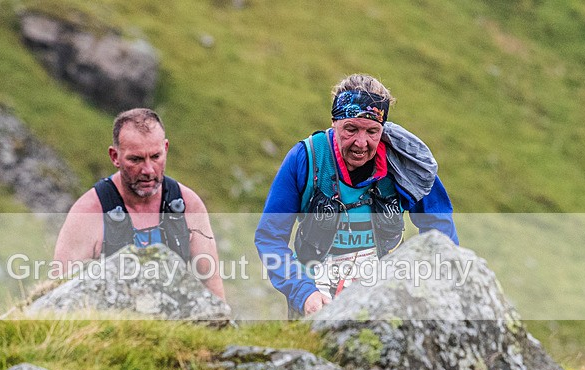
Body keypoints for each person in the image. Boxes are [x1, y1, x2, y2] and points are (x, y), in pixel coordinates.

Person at [255, 73, 458, 317]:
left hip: (385, 302)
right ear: (334, 122)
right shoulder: (306, 158)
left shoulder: (407, 165)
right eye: (351, 129)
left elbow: (440, 230)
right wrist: (303, 292)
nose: (361, 143)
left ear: (383, 129)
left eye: (372, 131)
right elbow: (269, 237)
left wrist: (435, 286)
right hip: (315, 303)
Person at [54, 108, 225, 300]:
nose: (148, 170)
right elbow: (61, 295)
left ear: (166, 149)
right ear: (114, 157)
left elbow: (211, 283)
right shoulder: (88, 213)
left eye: (155, 156)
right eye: (135, 159)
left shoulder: (188, 205)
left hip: (178, 326)